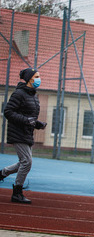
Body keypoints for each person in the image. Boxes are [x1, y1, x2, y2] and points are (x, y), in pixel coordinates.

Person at [0, 68, 47, 204]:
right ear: (30, 79)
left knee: (23, 162)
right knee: (27, 162)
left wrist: (37, 124)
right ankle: (17, 192)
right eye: (37, 76)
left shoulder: (32, 95)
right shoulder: (19, 94)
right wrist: (27, 121)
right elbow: (8, 112)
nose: (39, 79)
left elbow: (29, 117)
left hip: (26, 133)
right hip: (18, 132)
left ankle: (2, 173)